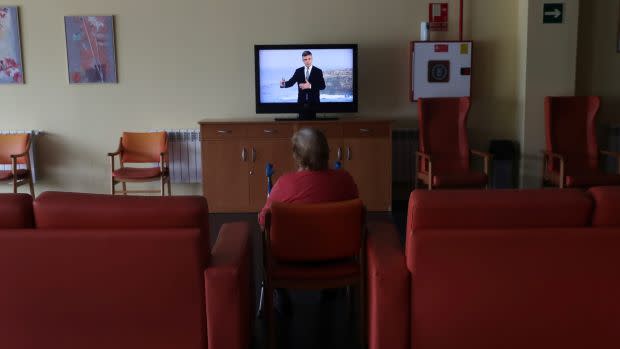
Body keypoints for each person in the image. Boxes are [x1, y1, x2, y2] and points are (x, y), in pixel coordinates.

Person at [258, 128, 359, 317]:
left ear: (297, 156)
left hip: (291, 262)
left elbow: (264, 221)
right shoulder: (345, 180)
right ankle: (331, 290)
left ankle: (282, 295)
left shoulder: (284, 184)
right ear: (327, 152)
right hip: (336, 260)